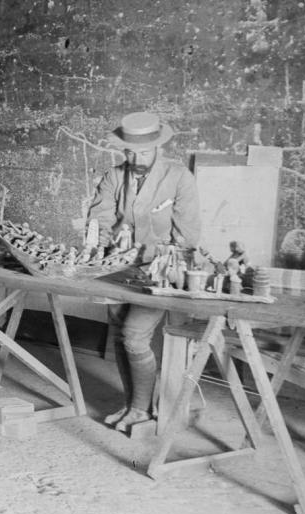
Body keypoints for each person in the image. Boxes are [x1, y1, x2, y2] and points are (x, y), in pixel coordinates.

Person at [87, 111, 201, 432]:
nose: (136, 158)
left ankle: (141, 410)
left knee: (134, 336)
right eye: (130, 152)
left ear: (158, 148)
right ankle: (132, 406)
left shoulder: (179, 177)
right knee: (121, 333)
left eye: (144, 152)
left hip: (161, 269)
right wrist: (98, 246)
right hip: (119, 268)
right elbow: (100, 220)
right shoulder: (113, 176)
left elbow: (188, 237)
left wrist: (157, 259)